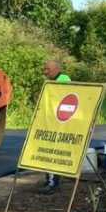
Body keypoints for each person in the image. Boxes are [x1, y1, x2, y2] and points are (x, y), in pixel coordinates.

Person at [42, 59, 72, 190]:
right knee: (47, 153)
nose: (45, 72)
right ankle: (49, 179)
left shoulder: (64, 79)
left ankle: (53, 182)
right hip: (50, 123)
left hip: (59, 124)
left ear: (56, 69)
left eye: (47, 69)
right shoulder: (50, 81)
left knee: (54, 153)